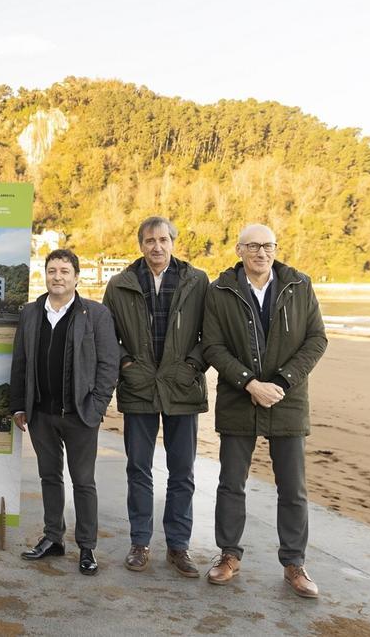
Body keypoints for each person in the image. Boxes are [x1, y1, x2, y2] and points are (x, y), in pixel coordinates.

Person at [202, 224, 328, 599]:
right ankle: (228, 555)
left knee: (293, 488)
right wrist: (249, 383)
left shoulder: (300, 285)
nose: (262, 253)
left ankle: (294, 563)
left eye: (268, 246)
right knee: (230, 485)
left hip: (287, 400)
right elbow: (211, 346)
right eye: (254, 246)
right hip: (240, 399)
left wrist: (283, 382)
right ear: (239, 250)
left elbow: (317, 339)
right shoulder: (219, 290)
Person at [103, 217, 209, 577]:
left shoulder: (197, 281)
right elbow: (107, 337)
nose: (157, 247)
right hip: (140, 387)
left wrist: (192, 366)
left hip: (182, 386)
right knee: (138, 469)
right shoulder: (120, 285)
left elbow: (210, 334)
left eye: (163, 239)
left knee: (183, 471)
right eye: (150, 240)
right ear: (140, 245)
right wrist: (128, 365)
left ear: (174, 242)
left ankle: (178, 547)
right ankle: (140, 542)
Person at [10, 248, 119, 576]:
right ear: (45, 275)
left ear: (76, 277)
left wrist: (97, 406)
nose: (57, 277)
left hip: (80, 415)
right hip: (41, 414)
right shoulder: (30, 313)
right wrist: (19, 405)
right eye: (52, 271)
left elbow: (109, 363)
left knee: (83, 481)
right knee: (49, 477)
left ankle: (87, 548)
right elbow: (20, 362)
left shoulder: (95, 314)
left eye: (64, 271)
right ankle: (53, 538)